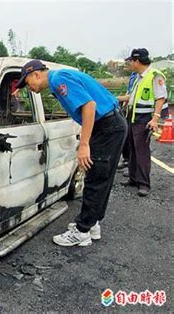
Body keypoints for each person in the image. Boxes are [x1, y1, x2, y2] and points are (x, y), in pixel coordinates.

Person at [15, 60, 127, 247]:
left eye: (27, 83)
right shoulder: (62, 77)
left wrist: (84, 144)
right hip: (111, 125)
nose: (28, 87)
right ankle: (92, 223)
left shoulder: (59, 79)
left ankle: (82, 231)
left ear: (36, 74)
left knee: (95, 178)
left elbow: (89, 106)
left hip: (106, 127)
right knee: (101, 177)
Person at [117, 48, 169, 197]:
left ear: (137, 61)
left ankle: (144, 183)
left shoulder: (154, 76)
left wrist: (155, 118)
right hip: (133, 116)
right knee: (132, 148)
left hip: (144, 118)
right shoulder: (138, 77)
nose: (130, 64)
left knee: (142, 152)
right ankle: (133, 178)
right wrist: (114, 99)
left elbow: (160, 98)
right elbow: (131, 98)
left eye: (131, 61)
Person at [117, 71, 137, 170]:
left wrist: (117, 98)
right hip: (128, 108)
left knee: (132, 139)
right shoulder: (134, 75)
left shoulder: (141, 76)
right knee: (126, 137)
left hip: (136, 111)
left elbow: (133, 96)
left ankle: (131, 165)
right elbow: (129, 92)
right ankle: (126, 160)